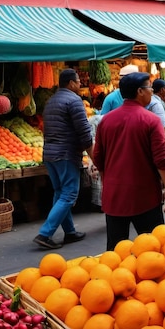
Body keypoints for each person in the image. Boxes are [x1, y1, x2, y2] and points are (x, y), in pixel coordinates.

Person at [93, 72, 165, 251]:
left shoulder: (106, 121)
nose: (152, 92)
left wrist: (108, 181)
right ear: (140, 91)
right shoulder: (151, 120)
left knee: (115, 252)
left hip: (114, 196)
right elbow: (162, 160)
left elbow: (98, 157)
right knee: (154, 250)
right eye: (150, 88)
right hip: (144, 196)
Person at [33, 69, 94, 249]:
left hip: (50, 154)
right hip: (66, 154)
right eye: (78, 81)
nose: (80, 84)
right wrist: (94, 157)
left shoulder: (51, 101)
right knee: (69, 193)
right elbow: (84, 132)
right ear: (70, 83)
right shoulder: (74, 101)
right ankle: (45, 233)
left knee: (60, 192)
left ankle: (69, 231)